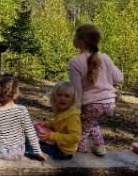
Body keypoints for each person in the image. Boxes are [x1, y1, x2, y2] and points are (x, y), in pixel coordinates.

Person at [69, 24, 123, 156]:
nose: (73, 38)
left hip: (92, 104)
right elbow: (119, 78)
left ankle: (80, 153)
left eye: (75, 35)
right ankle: (100, 146)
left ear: (81, 40)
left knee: (82, 128)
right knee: (91, 122)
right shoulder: (105, 57)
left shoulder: (75, 62)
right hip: (109, 103)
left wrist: (76, 108)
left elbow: (77, 90)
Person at [0, 75, 46, 161]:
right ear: (16, 93)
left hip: (4, 154)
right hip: (20, 152)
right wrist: (39, 152)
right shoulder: (22, 110)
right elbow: (30, 133)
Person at [35, 81, 81, 160]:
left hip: (64, 152)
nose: (62, 98)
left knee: (33, 147)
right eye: (59, 95)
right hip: (58, 144)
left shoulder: (72, 117)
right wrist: (47, 124)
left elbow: (75, 137)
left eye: (67, 96)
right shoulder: (62, 111)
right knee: (35, 141)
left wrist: (52, 136)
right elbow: (59, 124)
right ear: (54, 97)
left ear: (72, 99)